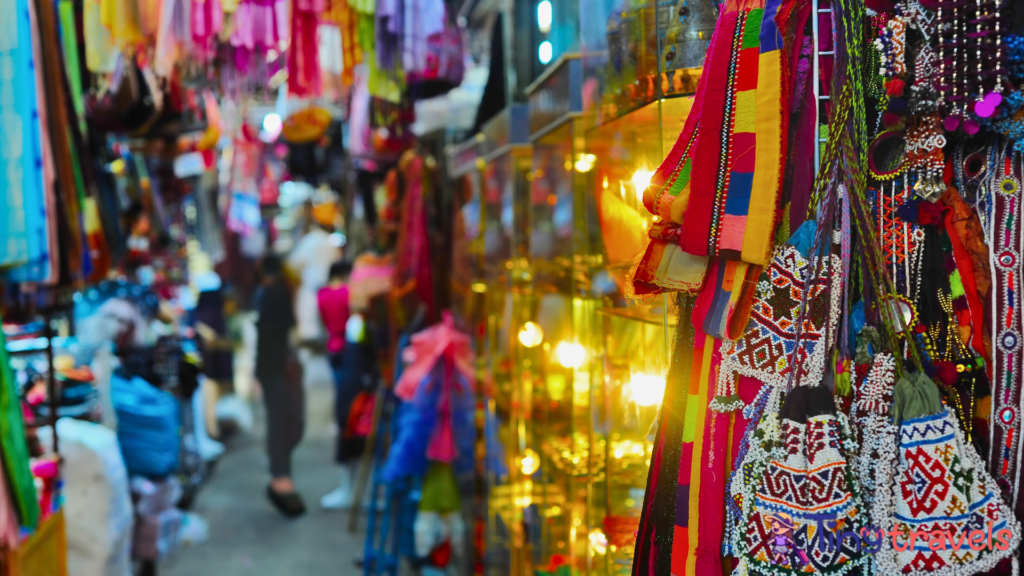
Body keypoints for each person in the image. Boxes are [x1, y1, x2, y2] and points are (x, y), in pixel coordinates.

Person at [254, 254, 306, 517]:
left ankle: (281, 477)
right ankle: (281, 478)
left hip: (276, 369)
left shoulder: (272, 294)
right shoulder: (280, 292)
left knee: (281, 423)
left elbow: (267, 336)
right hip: (279, 369)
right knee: (283, 422)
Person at [316, 260, 367, 509]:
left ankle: (351, 488)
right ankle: (354, 489)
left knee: (344, 407)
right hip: (350, 354)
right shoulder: (349, 294)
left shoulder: (322, 294)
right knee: (351, 412)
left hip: (334, 349)